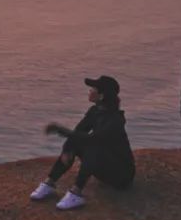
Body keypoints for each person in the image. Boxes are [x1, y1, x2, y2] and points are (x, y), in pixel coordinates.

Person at [29, 75, 136, 210]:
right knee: (76, 141)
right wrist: (68, 149)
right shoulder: (95, 111)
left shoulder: (115, 120)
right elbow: (78, 131)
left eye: (93, 89)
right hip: (102, 164)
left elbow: (94, 139)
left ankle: (76, 193)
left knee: (92, 144)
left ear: (101, 95)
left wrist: (61, 130)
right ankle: (50, 182)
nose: (89, 91)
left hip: (121, 175)